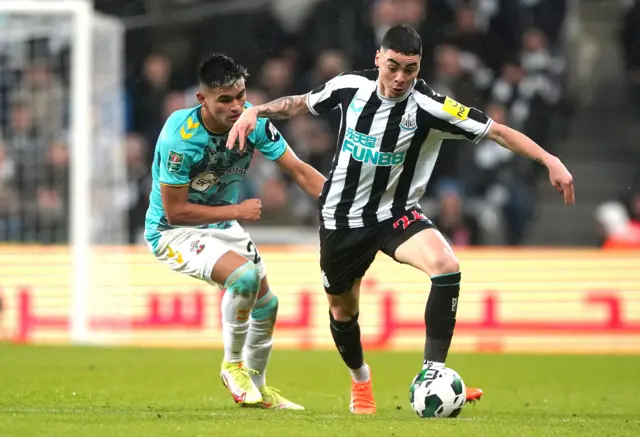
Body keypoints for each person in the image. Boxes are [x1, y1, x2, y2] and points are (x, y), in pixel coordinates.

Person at [226, 24, 575, 415]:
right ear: (378, 58)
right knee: (343, 311)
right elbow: (300, 104)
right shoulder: (349, 87)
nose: (399, 78)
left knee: (446, 265)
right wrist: (254, 110)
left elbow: (497, 132)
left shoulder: (431, 107)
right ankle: (361, 379)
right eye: (392, 66)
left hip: (395, 214)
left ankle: (433, 373)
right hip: (341, 220)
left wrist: (550, 159)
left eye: (410, 69)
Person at [144, 54, 326, 410]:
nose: (236, 106)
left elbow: (300, 171)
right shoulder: (180, 139)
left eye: (240, 96)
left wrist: (346, 207)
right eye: (224, 99)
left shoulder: (252, 121)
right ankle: (232, 365)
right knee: (243, 279)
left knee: (267, 304)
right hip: (172, 232)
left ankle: (258, 389)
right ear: (202, 100)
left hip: (223, 224)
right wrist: (236, 211)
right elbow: (175, 211)